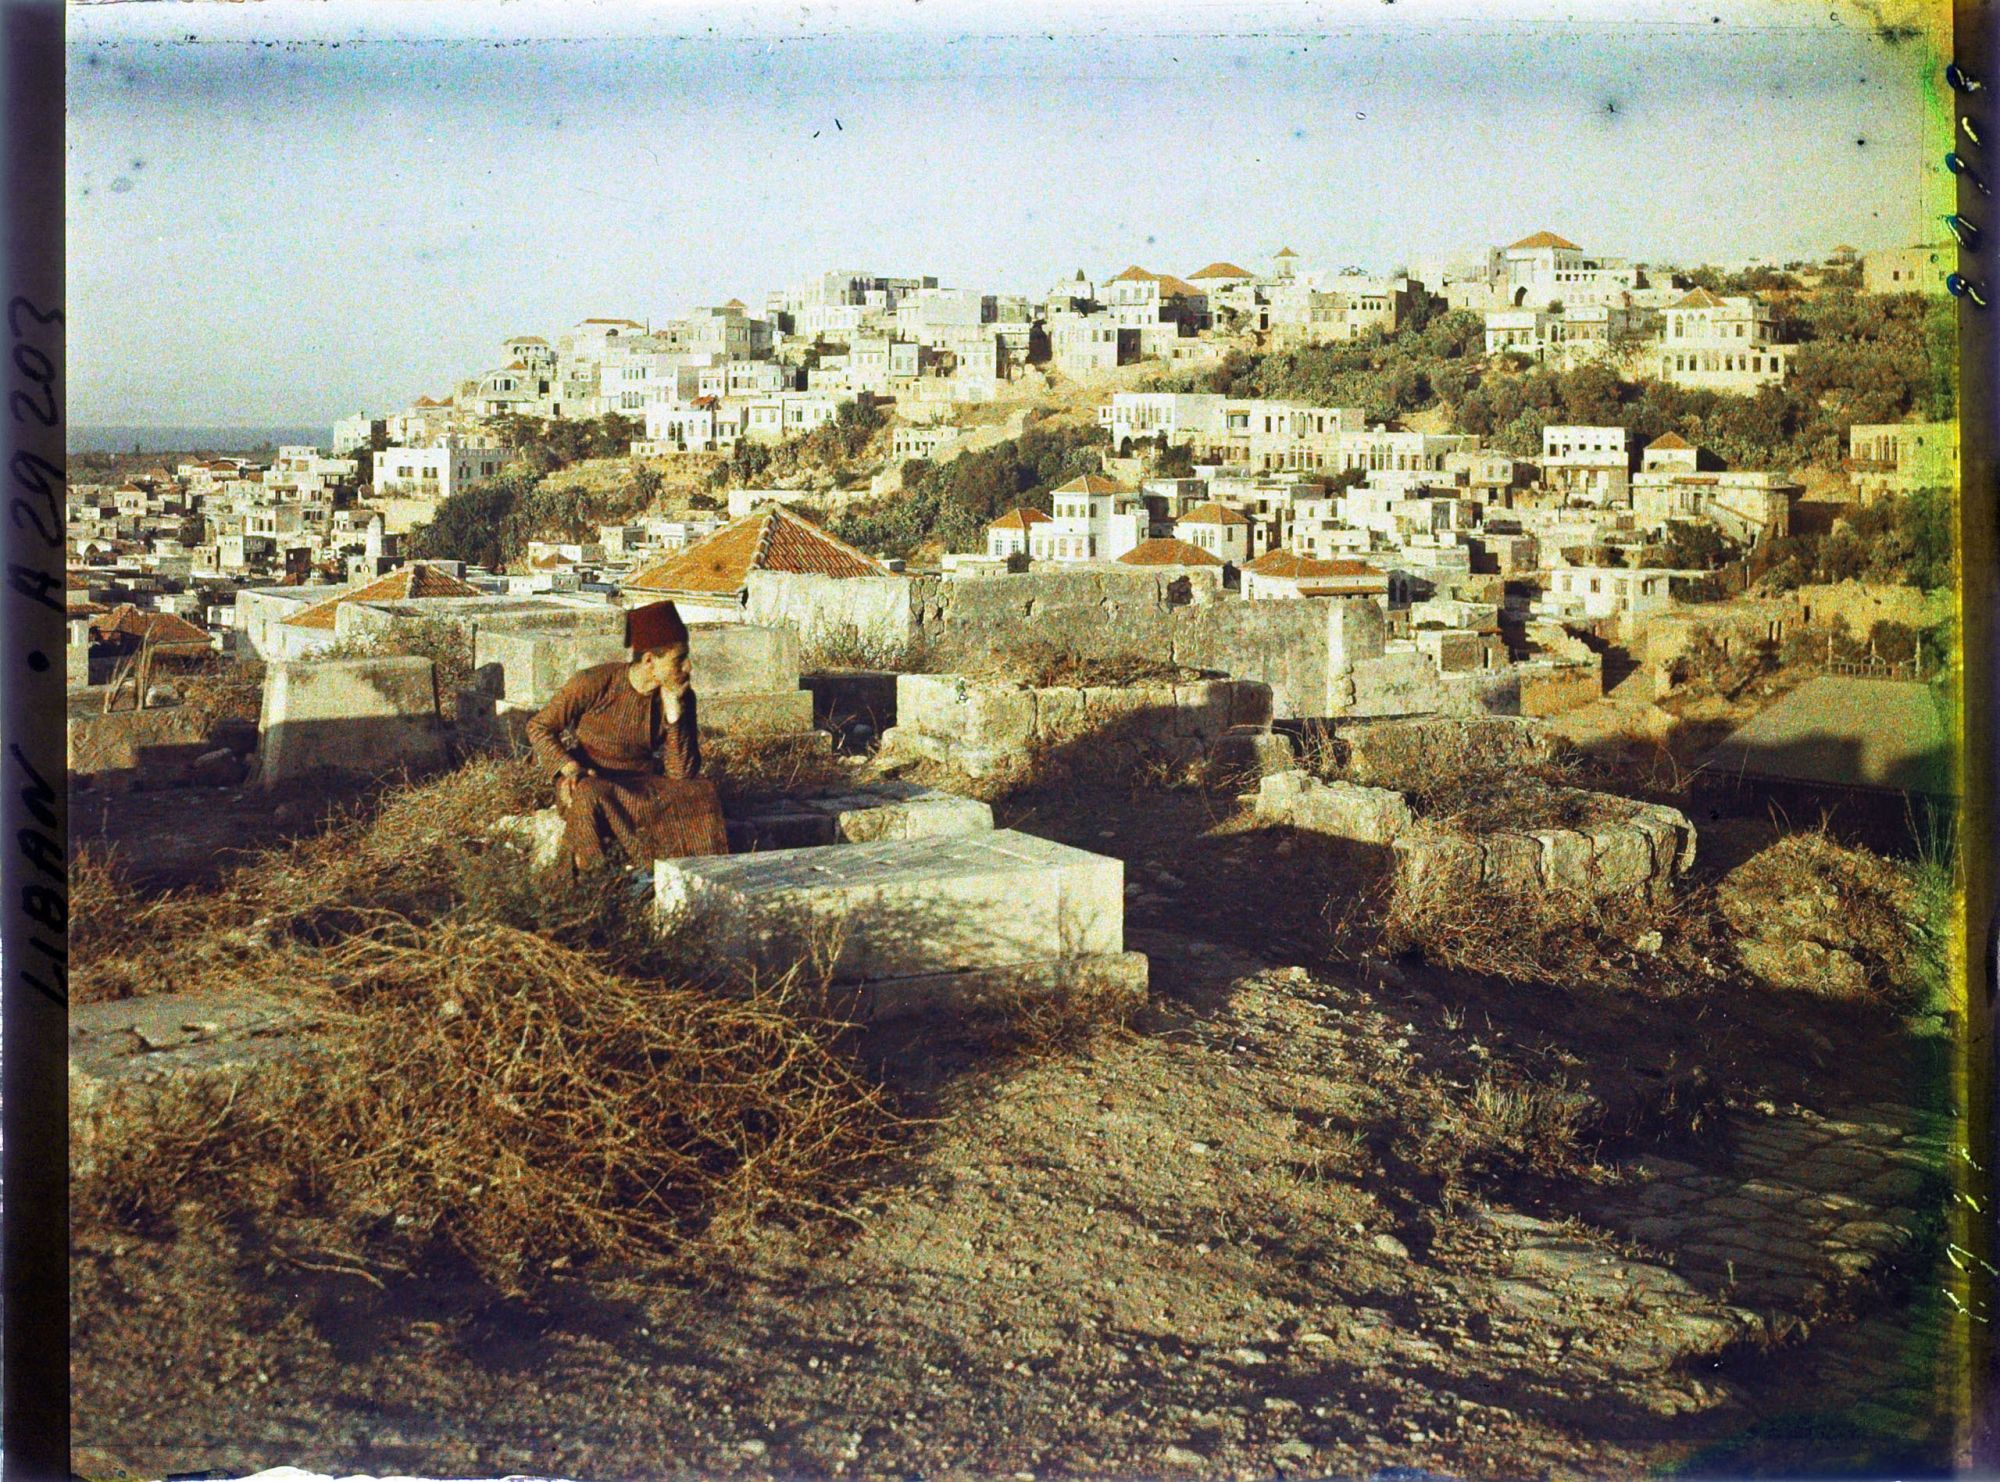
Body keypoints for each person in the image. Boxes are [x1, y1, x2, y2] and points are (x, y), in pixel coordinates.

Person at [524, 600, 730, 870]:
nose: (688, 667)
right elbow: (539, 727)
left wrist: (674, 714)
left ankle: (691, 876)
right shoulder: (595, 682)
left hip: (640, 785)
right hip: (590, 779)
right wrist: (570, 768)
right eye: (679, 659)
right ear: (649, 661)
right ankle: (595, 881)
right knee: (588, 795)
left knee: (701, 792)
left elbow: (681, 774)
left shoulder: (680, 695)